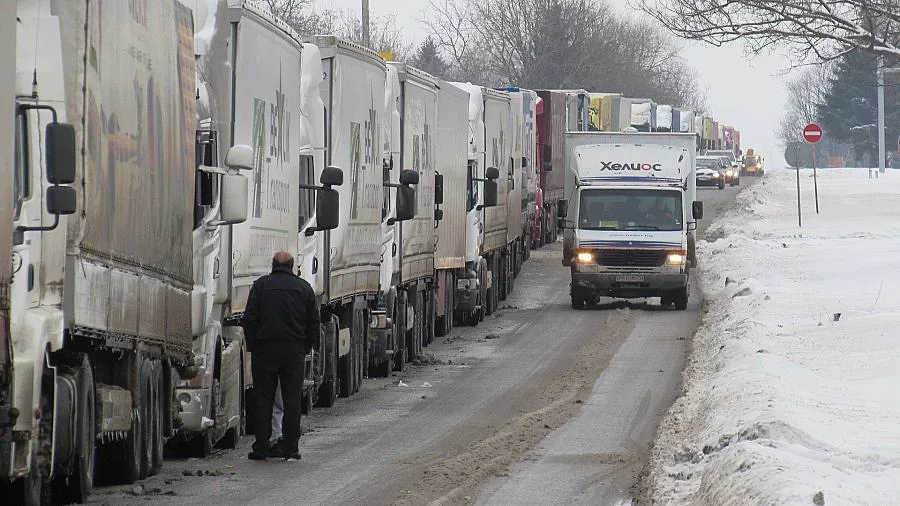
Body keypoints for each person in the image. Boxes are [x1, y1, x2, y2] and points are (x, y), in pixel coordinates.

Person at [242, 251, 319, 460]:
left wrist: (253, 346)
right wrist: (305, 347)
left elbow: (249, 318)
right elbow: (313, 322)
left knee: (264, 399)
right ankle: (290, 447)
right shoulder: (304, 288)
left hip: (265, 350)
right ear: (292, 266)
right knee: (292, 399)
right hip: (293, 351)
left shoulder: (261, 286)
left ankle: (262, 446)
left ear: (273, 264)